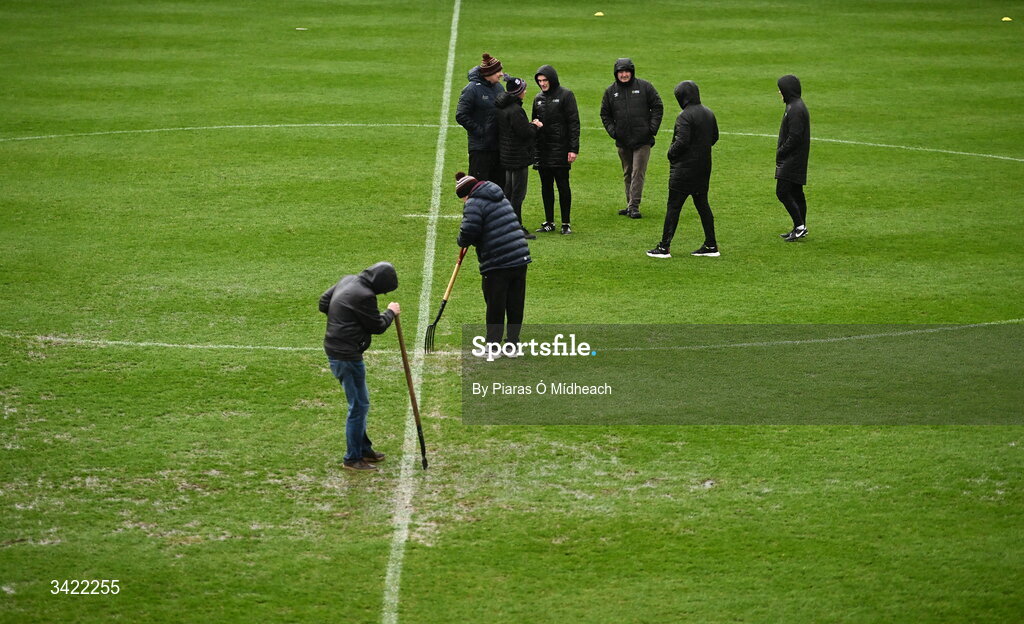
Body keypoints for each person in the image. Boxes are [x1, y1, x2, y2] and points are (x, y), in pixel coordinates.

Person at [319, 263, 401, 472]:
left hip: (336, 349)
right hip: (346, 356)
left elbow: (324, 303)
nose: (381, 293)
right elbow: (378, 326)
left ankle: (364, 449)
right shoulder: (364, 296)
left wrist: (342, 320)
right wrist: (390, 312)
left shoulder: (348, 280)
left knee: (359, 403)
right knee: (358, 406)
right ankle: (352, 458)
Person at [455, 171, 531, 349]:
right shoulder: (499, 195)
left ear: (466, 194)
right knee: (515, 304)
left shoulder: (474, 202)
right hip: (520, 256)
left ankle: (493, 346)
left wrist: (463, 241)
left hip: (498, 262)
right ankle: (513, 344)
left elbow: (468, 232)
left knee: (495, 304)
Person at [647, 81, 720, 259]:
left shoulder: (684, 116)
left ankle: (664, 247)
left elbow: (681, 142)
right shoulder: (708, 113)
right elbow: (714, 137)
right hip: (703, 168)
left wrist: (670, 153)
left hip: (684, 170)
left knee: (673, 206)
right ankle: (711, 244)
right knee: (703, 205)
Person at [600, 58, 663, 219]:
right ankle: (630, 205)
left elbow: (657, 106)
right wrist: (613, 132)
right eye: (621, 72)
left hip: (643, 140)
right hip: (623, 140)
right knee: (628, 172)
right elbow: (605, 114)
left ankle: (634, 206)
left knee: (637, 172)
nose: (624, 74)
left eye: (627, 71)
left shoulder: (645, 87)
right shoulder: (610, 92)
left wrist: (651, 129)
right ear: (616, 73)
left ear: (632, 72)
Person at [531, 65, 580, 235]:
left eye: (545, 80)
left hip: (560, 149)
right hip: (543, 150)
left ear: (552, 79)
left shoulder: (566, 95)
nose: (542, 84)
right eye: (539, 81)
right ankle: (549, 221)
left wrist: (573, 149)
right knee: (546, 186)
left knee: (563, 185)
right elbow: (533, 125)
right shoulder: (537, 98)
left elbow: (574, 123)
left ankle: (566, 223)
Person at [495, 75, 542, 240]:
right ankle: (515, 228)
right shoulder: (515, 110)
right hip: (518, 157)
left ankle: (507, 226)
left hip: (507, 155)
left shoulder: (502, 107)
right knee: (518, 194)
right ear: (518, 92)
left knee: (509, 191)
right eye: (523, 89)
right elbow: (525, 134)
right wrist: (535, 126)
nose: (526, 91)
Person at [456, 53, 506, 183]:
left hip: (498, 147)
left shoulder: (499, 87)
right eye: (498, 71)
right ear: (489, 73)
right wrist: (481, 132)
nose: (501, 74)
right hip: (480, 149)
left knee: (499, 188)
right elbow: (461, 115)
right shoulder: (471, 89)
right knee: (478, 189)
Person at [775, 74, 811, 241]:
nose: (779, 92)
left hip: (792, 159)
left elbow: (795, 136)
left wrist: (782, 150)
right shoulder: (794, 105)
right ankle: (799, 227)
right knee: (797, 192)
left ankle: (800, 226)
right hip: (796, 158)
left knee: (782, 192)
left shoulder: (795, 109)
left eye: (781, 89)